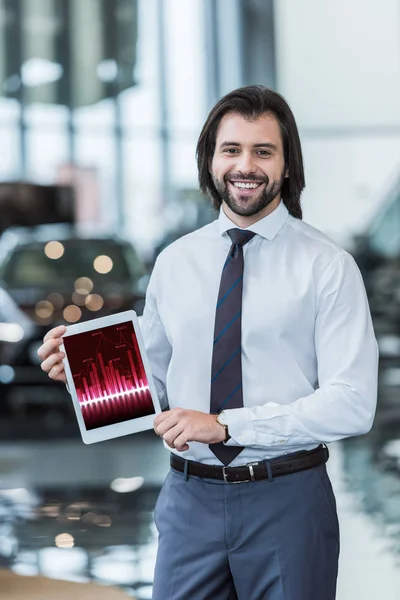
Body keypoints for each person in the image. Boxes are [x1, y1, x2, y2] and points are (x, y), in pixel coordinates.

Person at [37, 85, 379, 600]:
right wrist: (83, 374)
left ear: (287, 166)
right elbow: (151, 383)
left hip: (287, 499)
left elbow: (353, 404)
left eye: (263, 151)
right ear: (211, 161)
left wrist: (225, 426)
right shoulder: (176, 262)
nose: (247, 165)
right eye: (231, 150)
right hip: (188, 500)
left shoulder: (327, 266)